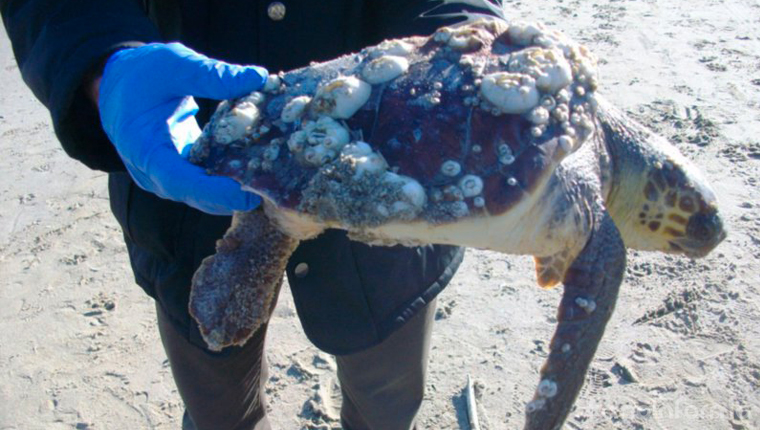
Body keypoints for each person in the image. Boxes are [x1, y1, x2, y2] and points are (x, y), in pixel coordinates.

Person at [1, 1, 477, 429]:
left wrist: (472, 46)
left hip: (391, 168)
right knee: (221, 409)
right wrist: (104, 59)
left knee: (386, 404)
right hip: (186, 160)